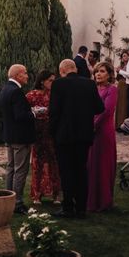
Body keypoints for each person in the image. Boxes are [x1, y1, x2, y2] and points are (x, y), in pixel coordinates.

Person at [49, 59, 105, 219]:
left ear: (62, 71)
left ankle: (68, 207)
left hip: (64, 136)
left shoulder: (58, 85)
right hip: (84, 134)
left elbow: (54, 112)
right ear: (75, 69)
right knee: (81, 170)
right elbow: (99, 108)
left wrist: (53, 133)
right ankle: (81, 208)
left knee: (66, 171)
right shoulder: (89, 84)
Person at [0, 64, 36, 214]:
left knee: (10, 168)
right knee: (20, 170)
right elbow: (20, 115)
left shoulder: (5, 89)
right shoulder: (16, 92)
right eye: (25, 73)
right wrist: (34, 113)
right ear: (18, 75)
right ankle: (17, 202)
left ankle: (8, 197)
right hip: (20, 137)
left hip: (9, 134)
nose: (27, 76)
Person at [26, 70, 61, 205]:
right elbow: (24, 111)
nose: (53, 83)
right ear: (42, 81)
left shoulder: (55, 95)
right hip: (38, 132)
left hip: (52, 132)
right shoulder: (31, 95)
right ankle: (37, 194)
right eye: (50, 80)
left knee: (54, 162)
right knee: (37, 163)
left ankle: (56, 194)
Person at [87, 62, 118, 212]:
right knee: (91, 164)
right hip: (90, 130)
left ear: (109, 74)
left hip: (104, 131)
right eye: (96, 72)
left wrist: (93, 125)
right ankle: (91, 200)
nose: (98, 74)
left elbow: (106, 111)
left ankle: (104, 202)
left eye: (102, 71)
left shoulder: (112, 90)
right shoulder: (93, 89)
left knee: (103, 165)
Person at [115, 50, 129, 128]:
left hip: (125, 84)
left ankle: (123, 124)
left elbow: (128, 75)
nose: (125, 57)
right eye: (123, 56)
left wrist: (120, 71)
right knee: (119, 103)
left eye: (126, 55)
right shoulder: (121, 65)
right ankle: (118, 124)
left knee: (123, 104)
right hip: (120, 84)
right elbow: (117, 78)